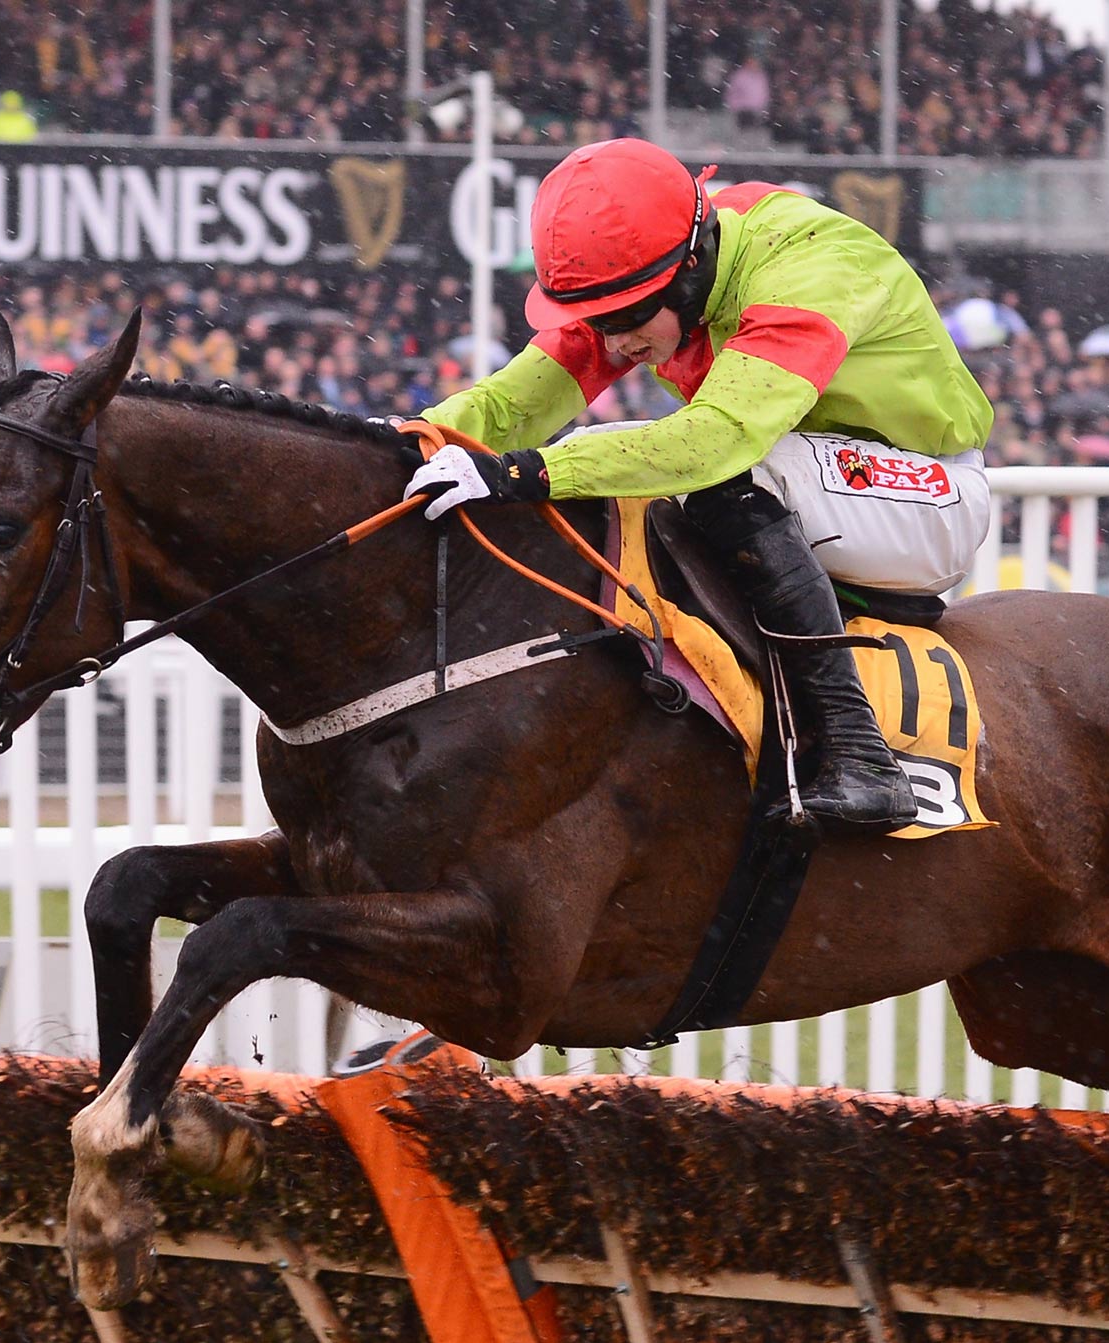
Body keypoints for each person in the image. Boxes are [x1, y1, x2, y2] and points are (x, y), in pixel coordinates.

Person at [406, 138, 995, 831]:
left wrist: (521, 473)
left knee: (690, 468)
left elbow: (717, 442)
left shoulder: (809, 268)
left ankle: (859, 755)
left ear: (689, 273)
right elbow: (511, 406)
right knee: (616, 466)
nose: (613, 341)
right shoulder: (650, 269)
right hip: (814, 478)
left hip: (924, 495)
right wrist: (403, 440)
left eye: (624, 320)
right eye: (595, 322)